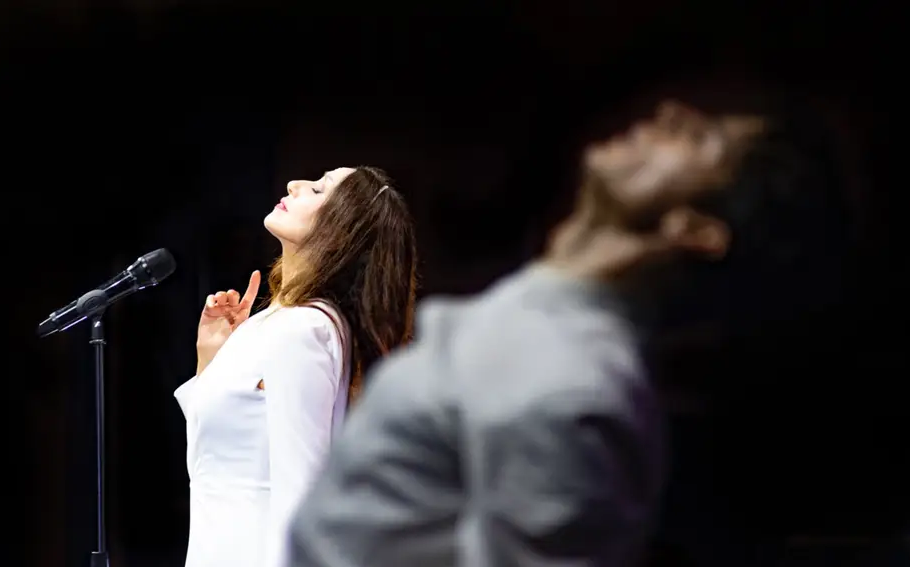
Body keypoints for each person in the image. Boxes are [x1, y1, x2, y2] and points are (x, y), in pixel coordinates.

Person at [286, 86, 849, 567]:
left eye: (703, 142)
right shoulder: (538, 320)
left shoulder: (569, 390)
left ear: (695, 230)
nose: (673, 113)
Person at [174, 165, 418, 567]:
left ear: (344, 229)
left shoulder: (306, 328)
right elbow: (212, 466)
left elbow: (301, 496)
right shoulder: (277, 321)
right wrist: (213, 360)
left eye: (319, 188)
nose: (295, 185)